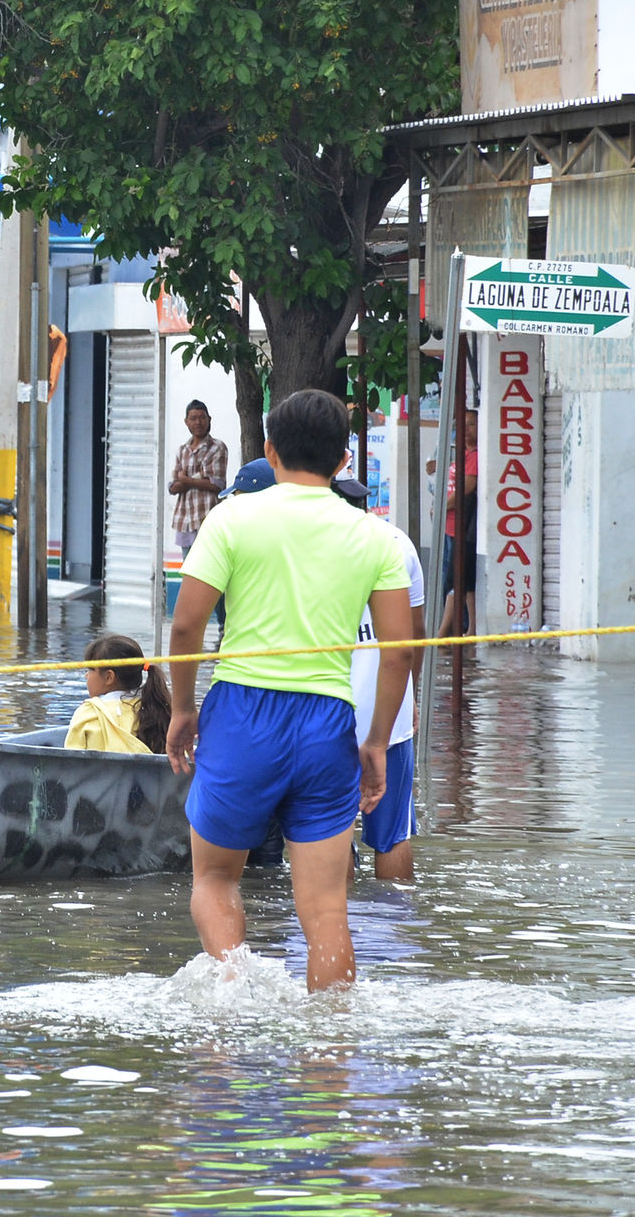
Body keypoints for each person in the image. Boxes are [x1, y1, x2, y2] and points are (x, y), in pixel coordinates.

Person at [165, 389, 414, 993]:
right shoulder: (376, 538)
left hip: (242, 713)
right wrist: (376, 741)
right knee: (327, 909)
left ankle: (232, 1003)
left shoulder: (231, 518)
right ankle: (330, 1063)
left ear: (270, 450)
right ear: (344, 457)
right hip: (328, 722)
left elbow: (186, 625)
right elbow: (399, 651)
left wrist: (180, 708)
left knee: (216, 880)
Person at [333, 475, 423, 883]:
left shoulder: (312, 544)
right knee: (392, 835)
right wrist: (410, 696)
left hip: (324, 710)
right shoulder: (397, 544)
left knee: (331, 835)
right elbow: (412, 638)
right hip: (389, 716)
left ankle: (337, 927)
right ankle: (392, 930)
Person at [65, 634, 170, 754]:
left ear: (109, 677)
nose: (86, 675)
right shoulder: (156, 708)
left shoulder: (87, 713)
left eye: (90, 670)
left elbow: (71, 761)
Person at [169, 399, 229, 554]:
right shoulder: (182, 450)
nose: (198, 422)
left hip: (207, 518)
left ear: (209, 419)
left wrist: (186, 479)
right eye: (193, 418)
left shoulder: (217, 447)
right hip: (185, 520)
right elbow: (172, 487)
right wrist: (199, 476)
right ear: (186, 422)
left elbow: (217, 485)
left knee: (206, 570)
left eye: (202, 417)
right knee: (188, 570)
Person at [439, 408, 478, 638]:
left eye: (471, 424)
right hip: (450, 526)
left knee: (455, 580)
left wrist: (444, 506)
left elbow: (467, 488)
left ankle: (445, 631)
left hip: (463, 528)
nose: (465, 429)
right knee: (460, 581)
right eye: (461, 424)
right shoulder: (461, 455)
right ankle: (466, 629)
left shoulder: (474, 457)